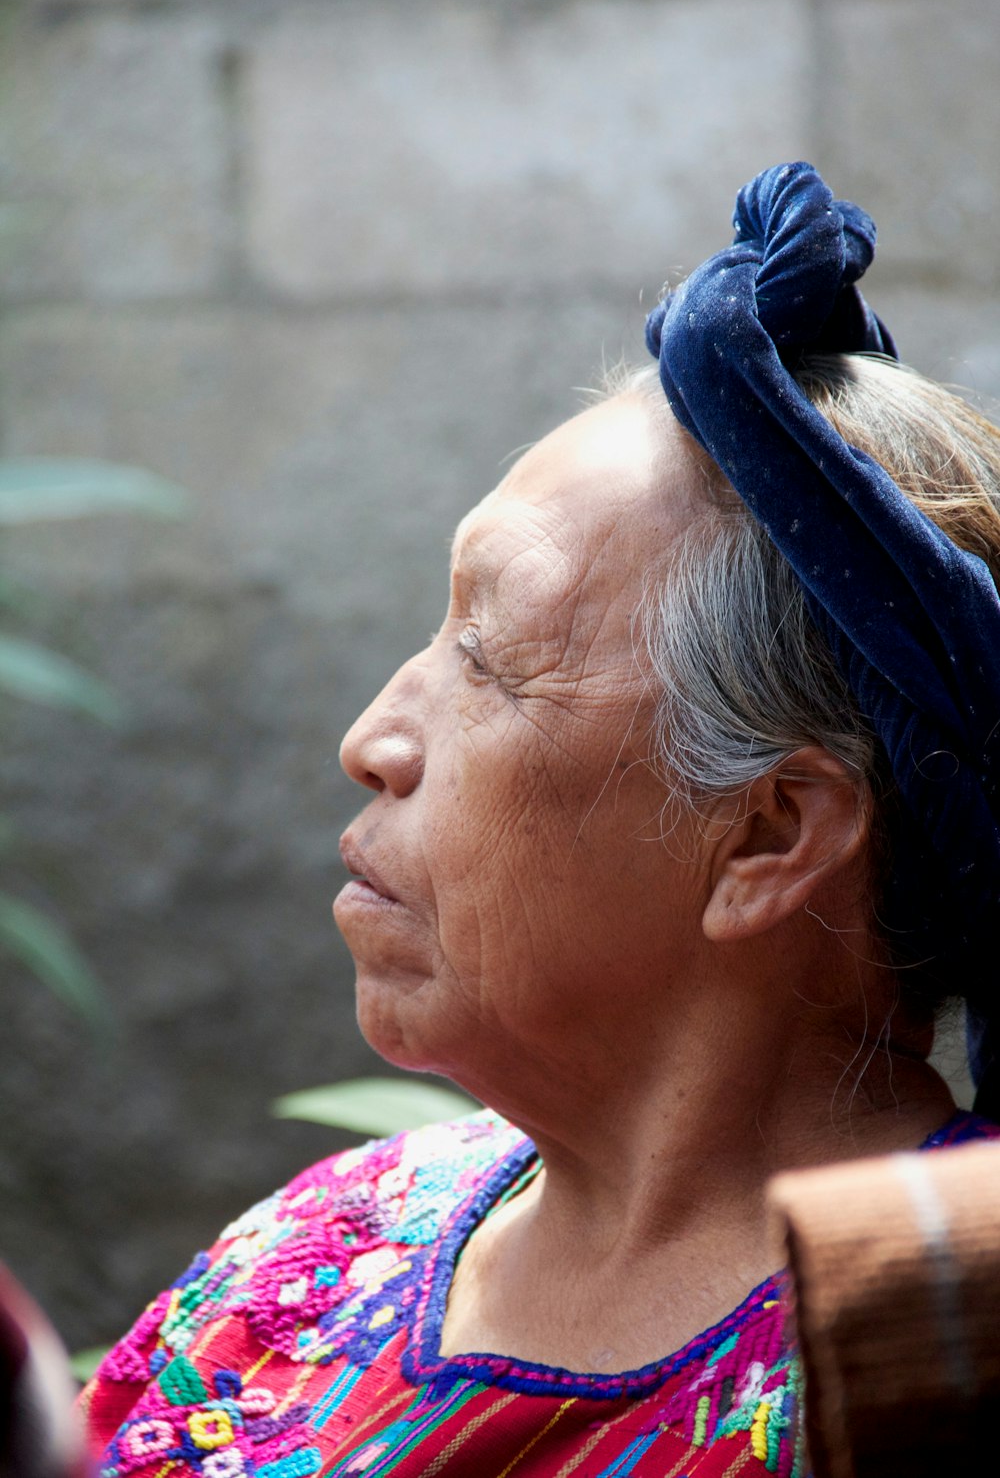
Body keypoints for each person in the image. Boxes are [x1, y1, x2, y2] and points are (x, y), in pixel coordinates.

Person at [80, 163, 1000, 1477]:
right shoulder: (320, 1252)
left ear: (769, 836)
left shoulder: (936, 1350)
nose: (372, 741)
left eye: (492, 660)